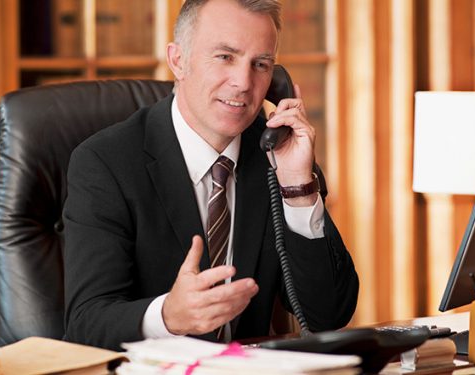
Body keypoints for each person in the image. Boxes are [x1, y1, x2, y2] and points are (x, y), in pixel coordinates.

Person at [63, 0, 359, 351]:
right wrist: (168, 316)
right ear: (178, 60)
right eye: (225, 57)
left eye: (260, 64)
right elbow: (85, 323)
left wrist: (298, 189)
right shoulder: (105, 163)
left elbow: (330, 314)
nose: (243, 82)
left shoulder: (280, 160)